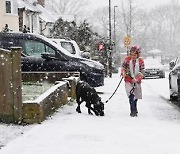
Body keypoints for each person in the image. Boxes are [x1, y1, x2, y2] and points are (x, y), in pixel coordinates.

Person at [121, 45, 145, 117]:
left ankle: (135, 107)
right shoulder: (127, 59)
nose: (133, 56)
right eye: (131, 54)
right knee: (131, 95)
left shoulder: (140, 61)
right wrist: (123, 73)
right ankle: (132, 110)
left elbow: (142, 71)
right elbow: (123, 67)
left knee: (136, 95)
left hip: (136, 81)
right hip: (128, 79)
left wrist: (137, 78)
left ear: (138, 54)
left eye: (134, 55)